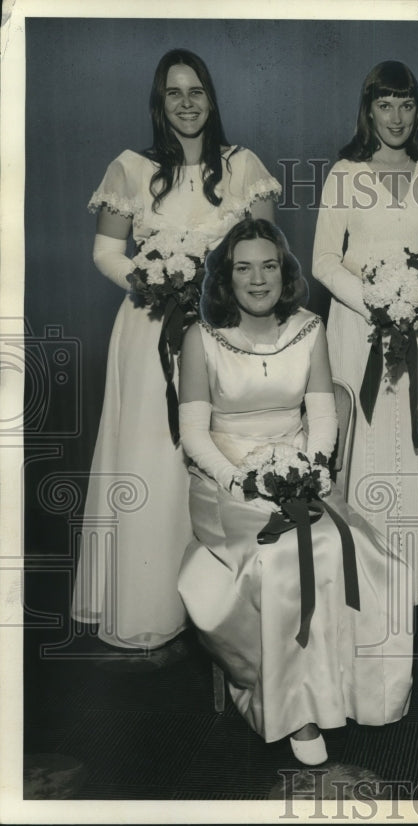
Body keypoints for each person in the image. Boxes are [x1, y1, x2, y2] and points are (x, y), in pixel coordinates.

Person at [177, 218, 413, 765]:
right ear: (225, 277)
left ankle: (343, 690)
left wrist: (307, 469)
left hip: (296, 473)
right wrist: (242, 480)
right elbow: (193, 435)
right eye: (244, 268)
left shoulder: (309, 328)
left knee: (339, 546)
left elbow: (323, 414)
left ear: (284, 274)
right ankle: (297, 712)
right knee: (282, 555)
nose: (258, 279)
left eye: (269, 266)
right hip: (224, 484)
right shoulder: (201, 336)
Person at [71, 49, 281, 650]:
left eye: (196, 92)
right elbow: (107, 251)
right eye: (173, 93)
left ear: (212, 99)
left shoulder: (243, 166)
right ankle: (150, 602)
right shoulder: (131, 167)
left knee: (219, 450)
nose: (187, 103)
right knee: (152, 458)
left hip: (221, 328)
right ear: (159, 104)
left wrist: (214, 288)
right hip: (148, 329)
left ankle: (229, 610)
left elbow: (266, 245)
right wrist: (150, 279)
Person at [313, 60, 418, 606]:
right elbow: (324, 261)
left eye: (406, 104)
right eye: (384, 104)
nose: (396, 117)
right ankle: (367, 578)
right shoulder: (344, 174)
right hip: (359, 330)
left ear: (417, 111)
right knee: (366, 443)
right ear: (368, 109)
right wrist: (377, 305)